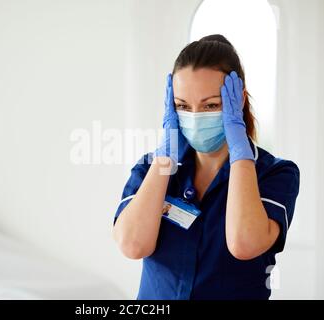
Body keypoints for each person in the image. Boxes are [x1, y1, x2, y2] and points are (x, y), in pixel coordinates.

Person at [112, 34, 300, 300]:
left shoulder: (276, 174)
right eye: (182, 106)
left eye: (211, 105)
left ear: (238, 101)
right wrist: (164, 159)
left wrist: (239, 150)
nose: (196, 117)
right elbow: (132, 245)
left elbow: (244, 244)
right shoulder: (150, 169)